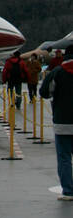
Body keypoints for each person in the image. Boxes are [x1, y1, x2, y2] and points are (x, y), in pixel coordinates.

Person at [40, 49, 73, 202]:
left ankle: (68, 191)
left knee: (64, 158)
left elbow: (44, 92)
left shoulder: (58, 72)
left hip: (63, 121)